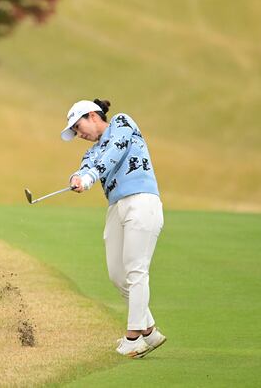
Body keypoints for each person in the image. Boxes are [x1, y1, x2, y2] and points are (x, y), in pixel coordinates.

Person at [61, 98, 167, 358]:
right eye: (74, 131)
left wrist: (89, 176)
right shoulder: (92, 151)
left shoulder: (122, 122)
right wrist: (77, 177)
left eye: (78, 126)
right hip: (117, 207)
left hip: (142, 201)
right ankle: (150, 332)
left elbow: (113, 154)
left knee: (136, 269)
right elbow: (87, 166)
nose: (79, 134)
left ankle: (133, 338)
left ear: (93, 116)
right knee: (118, 275)